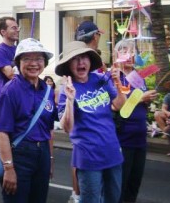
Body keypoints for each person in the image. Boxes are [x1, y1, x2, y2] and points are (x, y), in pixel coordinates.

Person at [57, 41, 126, 203]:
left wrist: (117, 83)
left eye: (84, 58)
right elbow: (67, 127)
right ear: (69, 64)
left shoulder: (101, 79)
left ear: (90, 61)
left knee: (113, 198)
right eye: (76, 59)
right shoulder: (66, 89)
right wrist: (69, 100)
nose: (81, 62)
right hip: (88, 157)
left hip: (112, 152)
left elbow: (119, 106)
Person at [0, 38, 57, 203]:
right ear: (18, 62)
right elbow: (2, 133)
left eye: (38, 58)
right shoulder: (10, 91)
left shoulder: (48, 91)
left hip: (42, 153)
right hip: (19, 155)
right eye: (27, 58)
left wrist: (50, 160)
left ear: (44, 62)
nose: (33, 63)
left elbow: (49, 129)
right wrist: (8, 168)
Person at [112, 40, 157, 203]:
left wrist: (148, 101)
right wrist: (140, 98)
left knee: (134, 184)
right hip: (123, 138)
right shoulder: (115, 76)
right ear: (117, 55)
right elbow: (118, 108)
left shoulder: (138, 76)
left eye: (132, 51)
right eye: (124, 51)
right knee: (120, 185)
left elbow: (139, 103)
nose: (129, 55)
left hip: (140, 139)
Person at [69, 20, 105, 203]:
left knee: (80, 154)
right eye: (99, 35)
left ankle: (78, 194)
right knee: (81, 155)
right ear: (95, 36)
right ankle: (78, 194)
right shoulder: (88, 58)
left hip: (92, 113)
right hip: (85, 113)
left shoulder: (79, 55)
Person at [0, 17, 20, 97]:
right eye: (14, 28)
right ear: (3, 32)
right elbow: (11, 75)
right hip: (8, 96)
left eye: (18, 27)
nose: (17, 30)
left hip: (20, 94)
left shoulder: (18, 49)